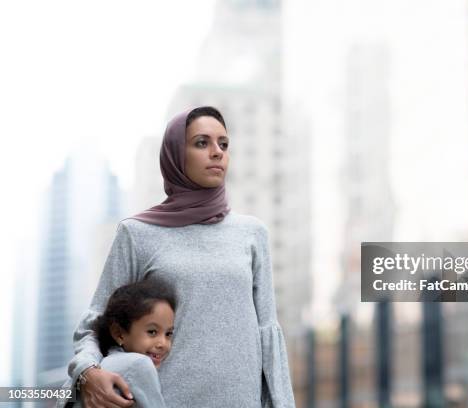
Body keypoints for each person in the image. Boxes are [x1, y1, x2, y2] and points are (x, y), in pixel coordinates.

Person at [65, 106, 296, 408]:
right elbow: (96, 321)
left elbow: (267, 332)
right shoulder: (137, 234)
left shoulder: (252, 233)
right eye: (202, 143)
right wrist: (87, 372)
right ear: (175, 154)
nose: (217, 152)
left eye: (223, 144)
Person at [59, 278, 176, 408]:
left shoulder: (100, 366)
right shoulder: (138, 364)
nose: (163, 343)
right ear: (119, 333)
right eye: (152, 332)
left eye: (168, 334)